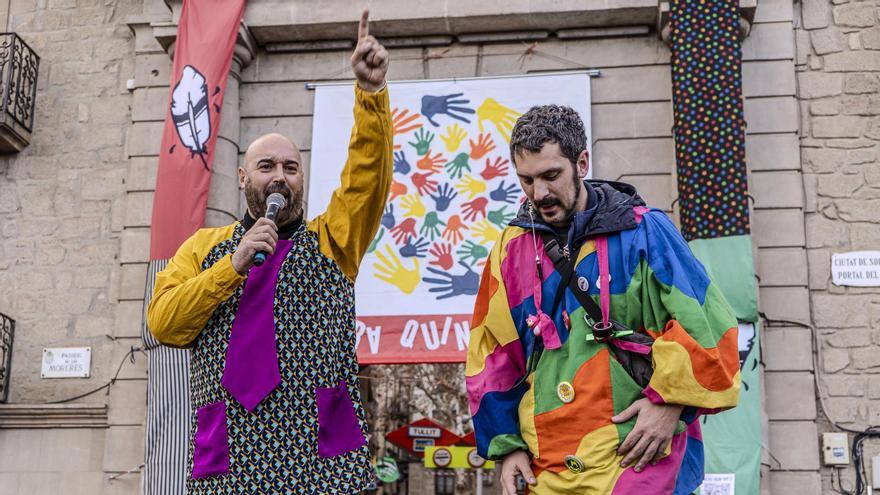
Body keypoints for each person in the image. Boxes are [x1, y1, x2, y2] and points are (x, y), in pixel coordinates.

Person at [147, 10, 390, 493]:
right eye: (266, 165)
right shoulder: (203, 248)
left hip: (320, 464)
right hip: (230, 461)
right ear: (243, 178)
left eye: (291, 167)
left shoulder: (332, 238)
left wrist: (370, 96)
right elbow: (163, 324)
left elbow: (367, 178)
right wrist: (231, 268)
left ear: (300, 180)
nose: (279, 175)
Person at [465, 105, 740, 494]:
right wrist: (507, 447)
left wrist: (670, 404)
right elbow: (491, 354)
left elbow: (710, 330)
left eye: (551, 175)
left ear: (582, 162)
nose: (538, 193)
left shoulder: (645, 231)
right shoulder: (508, 251)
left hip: (640, 465)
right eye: (526, 180)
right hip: (548, 472)